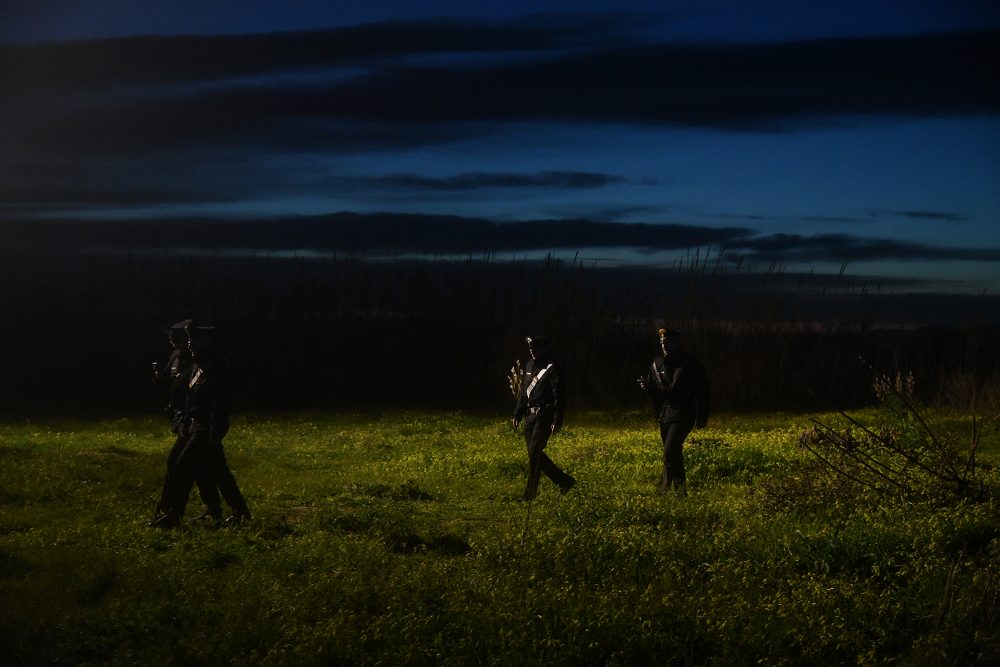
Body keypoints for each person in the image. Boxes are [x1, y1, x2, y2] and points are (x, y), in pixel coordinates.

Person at [151, 322, 251, 528]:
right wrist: (183, 421)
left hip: (207, 427)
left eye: (193, 341)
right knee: (214, 470)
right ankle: (238, 512)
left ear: (205, 343)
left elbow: (221, 400)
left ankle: (174, 515)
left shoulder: (217, 367)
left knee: (184, 466)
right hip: (192, 425)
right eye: (188, 341)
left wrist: (217, 428)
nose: (189, 345)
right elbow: (190, 397)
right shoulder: (197, 366)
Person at [150, 319, 222, 525]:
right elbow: (172, 382)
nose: (173, 341)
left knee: (180, 463)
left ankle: (171, 511)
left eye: (177, 337)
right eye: (171, 338)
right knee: (203, 466)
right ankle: (214, 508)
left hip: (194, 420)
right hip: (185, 418)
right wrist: (160, 379)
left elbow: (196, 390)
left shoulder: (197, 360)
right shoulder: (176, 357)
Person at [638, 327, 710, 496]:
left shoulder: (689, 363)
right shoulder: (657, 363)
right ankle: (676, 492)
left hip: (684, 412)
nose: (665, 346)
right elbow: (656, 390)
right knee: (672, 452)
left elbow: (703, 390)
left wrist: (702, 415)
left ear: (677, 342)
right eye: (662, 343)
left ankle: (669, 490)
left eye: (668, 342)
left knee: (670, 450)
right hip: (665, 414)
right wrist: (647, 387)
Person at [512, 335, 575, 501]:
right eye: (531, 349)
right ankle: (564, 481)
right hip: (529, 417)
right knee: (535, 455)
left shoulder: (553, 368)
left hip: (544, 416)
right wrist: (517, 413)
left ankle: (529, 495)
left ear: (545, 349)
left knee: (534, 453)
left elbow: (559, 396)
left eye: (536, 349)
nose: (532, 351)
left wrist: (556, 419)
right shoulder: (529, 365)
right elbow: (524, 392)